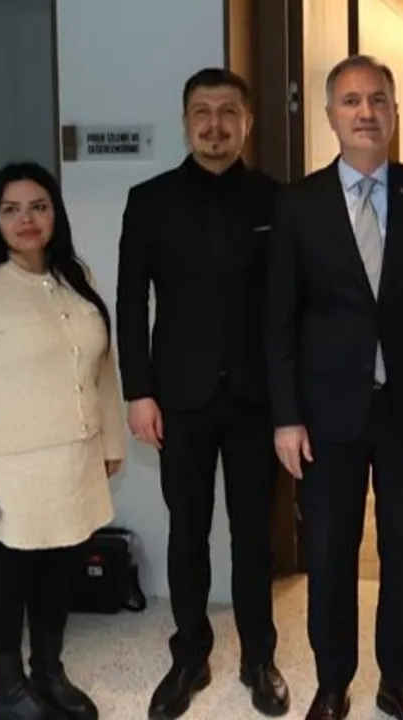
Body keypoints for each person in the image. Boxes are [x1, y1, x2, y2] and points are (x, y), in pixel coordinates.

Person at [265, 54, 403, 720]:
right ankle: (333, 682)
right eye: (351, 101)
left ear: (394, 112)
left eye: (378, 99)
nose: (365, 112)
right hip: (326, 415)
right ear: (330, 115)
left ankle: (399, 680)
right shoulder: (298, 204)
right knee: (328, 553)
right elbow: (280, 319)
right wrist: (286, 416)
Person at [114, 68, 289, 720]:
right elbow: (130, 302)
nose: (215, 126)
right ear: (185, 122)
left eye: (227, 112)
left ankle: (258, 656)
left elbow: (292, 306)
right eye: (201, 113)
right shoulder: (148, 200)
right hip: (178, 398)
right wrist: (138, 392)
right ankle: (190, 652)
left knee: (254, 536)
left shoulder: (279, 201)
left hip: (256, 398)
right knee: (186, 531)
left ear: (247, 122)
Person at [0, 162, 125, 720]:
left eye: (38, 206)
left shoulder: (75, 276)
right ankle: (9, 690)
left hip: (74, 461)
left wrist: (110, 441)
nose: (26, 219)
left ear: (55, 214)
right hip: (7, 472)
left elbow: (101, 367)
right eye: (11, 209)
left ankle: (48, 672)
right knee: (8, 578)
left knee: (58, 571)